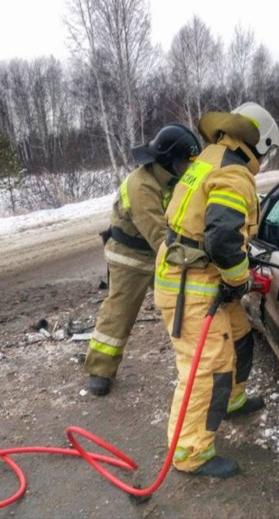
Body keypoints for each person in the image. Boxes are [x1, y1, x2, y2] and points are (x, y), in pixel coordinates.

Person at [154, 102, 279, 478]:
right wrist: (239, 280)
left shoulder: (210, 156)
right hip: (190, 285)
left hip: (187, 272)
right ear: (261, 144)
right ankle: (190, 453)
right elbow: (224, 238)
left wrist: (231, 277)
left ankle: (233, 399)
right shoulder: (233, 174)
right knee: (205, 368)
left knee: (239, 335)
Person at [85, 124, 202, 396]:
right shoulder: (141, 187)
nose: (187, 168)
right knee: (119, 311)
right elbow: (161, 237)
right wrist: (196, 256)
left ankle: (197, 361)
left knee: (183, 304)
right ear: (168, 161)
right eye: (184, 162)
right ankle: (100, 368)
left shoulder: (172, 178)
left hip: (157, 252)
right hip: (130, 257)